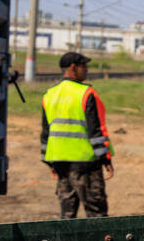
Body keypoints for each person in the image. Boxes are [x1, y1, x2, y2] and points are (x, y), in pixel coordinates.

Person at [41, 52, 114, 218]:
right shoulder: (86, 93)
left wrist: (49, 162)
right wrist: (105, 158)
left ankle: (66, 237)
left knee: (67, 215)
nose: (87, 70)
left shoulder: (49, 95)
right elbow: (96, 129)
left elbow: (46, 132)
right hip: (85, 162)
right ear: (73, 68)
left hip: (59, 162)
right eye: (84, 66)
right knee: (96, 213)